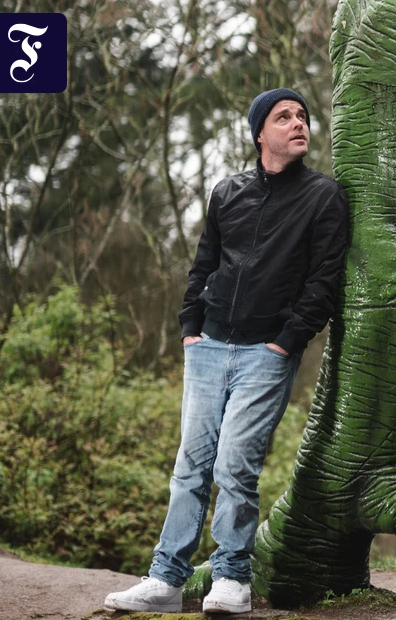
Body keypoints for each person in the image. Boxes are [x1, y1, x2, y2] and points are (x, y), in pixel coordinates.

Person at [104, 88, 349, 614]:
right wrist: (191, 325)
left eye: (302, 116)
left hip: (267, 351)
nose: (298, 123)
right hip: (209, 345)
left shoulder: (323, 196)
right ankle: (165, 582)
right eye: (284, 117)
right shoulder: (227, 192)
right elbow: (204, 263)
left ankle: (232, 580)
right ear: (260, 133)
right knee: (190, 466)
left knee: (235, 465)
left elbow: (324, 279)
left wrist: (288, 340)